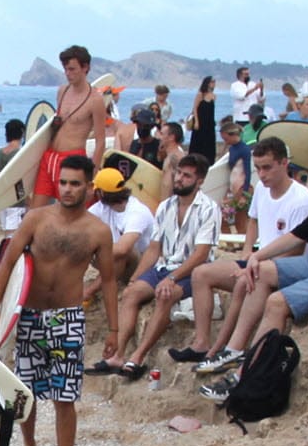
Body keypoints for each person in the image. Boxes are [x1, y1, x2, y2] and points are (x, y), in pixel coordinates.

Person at [0, 153, 118, 446]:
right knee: (28, 392)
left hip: (68, 319)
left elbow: (107, 280)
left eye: (75, 184)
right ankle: (29, 445)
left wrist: (115, 330)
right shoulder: (37, 219)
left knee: (65, 397)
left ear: (90, 188)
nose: (67, 189)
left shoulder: (99, 231)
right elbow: (8, 262)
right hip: (30, 315)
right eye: (62, 182)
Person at [192, 135, 308, 378]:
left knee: (273, 300)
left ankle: (245, 374)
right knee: (257, 271)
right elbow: (300, 234)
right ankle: (232, 350)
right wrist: (256, 257)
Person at [115, 149, 219, 372]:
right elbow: (154, 249)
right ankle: (119, 354)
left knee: (165, 296)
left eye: (186, 176)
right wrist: (135, 278)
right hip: (164, 266)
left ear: (199, 181)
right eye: (178, 173)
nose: (179, 179)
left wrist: (172, 278)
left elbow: (201, 254)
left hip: (193, 271)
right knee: (131, 293)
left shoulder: (209, 209)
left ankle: (138, 356)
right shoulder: (165, 206)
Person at [40, 47, 110, 203]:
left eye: (72, 69)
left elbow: (100, 141)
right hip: (50, 156)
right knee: (36, 211)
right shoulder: (62, 91)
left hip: (74, 158)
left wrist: (92, 175)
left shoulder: (95, 100)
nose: (67, 73)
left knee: (73, 212)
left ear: (85, 68)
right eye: (65, 69)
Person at [85, 166, 153, 318]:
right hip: (116, 263)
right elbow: (79, 225)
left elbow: (123, 249)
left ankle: (88, 292)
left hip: (143, 268)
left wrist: (88, 247)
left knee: (122, 252)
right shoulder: (103, 208)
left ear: (101, 192)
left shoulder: (137, 212)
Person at [190, 77, 219, 163]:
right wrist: (197, 121)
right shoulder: (200, 95)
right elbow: (195, 108)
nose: (213, 84)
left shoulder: (214, 96)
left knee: (209, 144)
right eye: (211, 82)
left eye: (214, 82)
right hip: (201, 122)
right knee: (198, 142)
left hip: (209, 123)